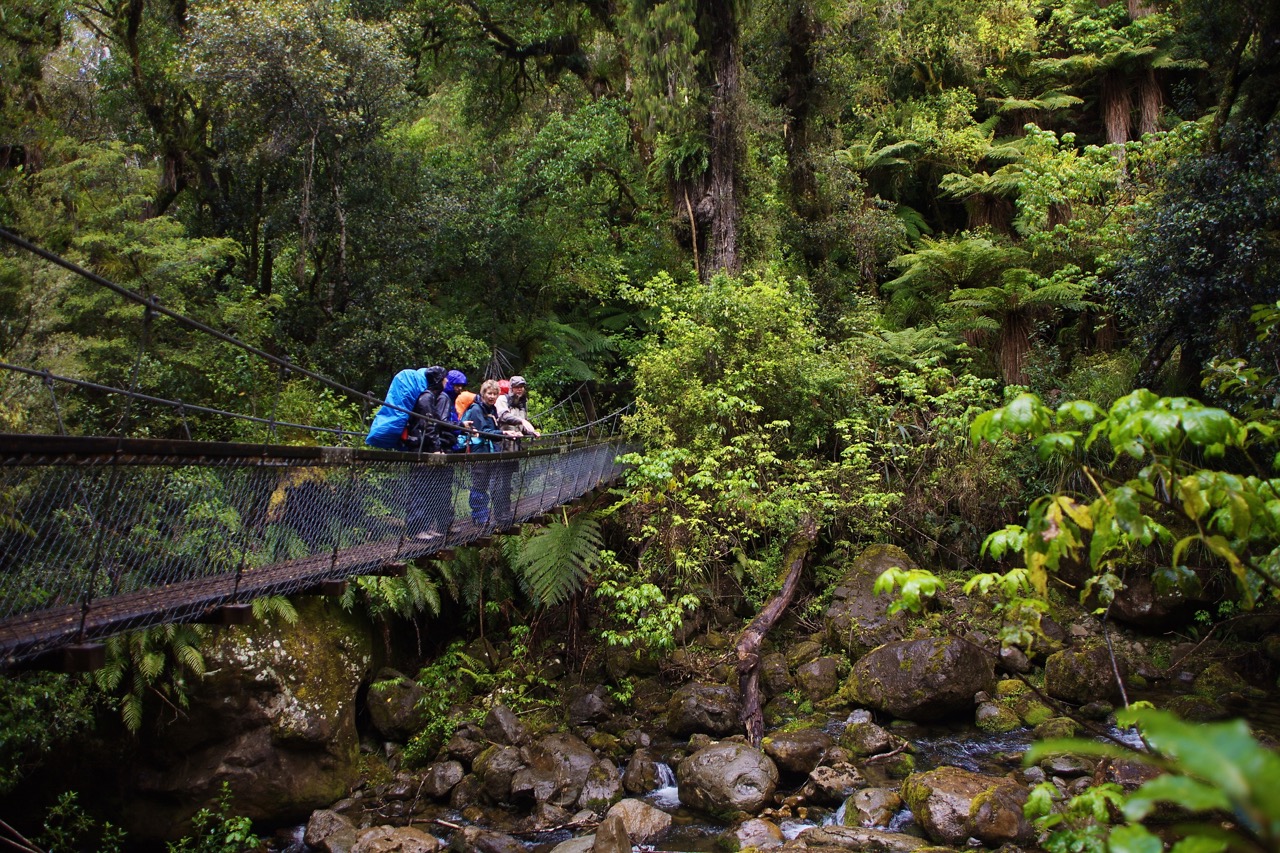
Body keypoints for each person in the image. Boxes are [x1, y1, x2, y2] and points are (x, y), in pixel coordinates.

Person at [405, 366, 456, 540]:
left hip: (425, 447)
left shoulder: (431, 397)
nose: (447, 381)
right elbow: (428, 425)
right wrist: (436, 448)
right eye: (444, 378)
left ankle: (426, 527)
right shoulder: (426, 398)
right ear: (438, 380)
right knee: (420, 489)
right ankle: (416, 530)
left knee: (428, 490)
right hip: (421, 449)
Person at [460, 379, 521, 526]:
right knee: (480, 485)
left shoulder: (491, 410)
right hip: (480, 453)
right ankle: (480, 517)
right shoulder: (476, 409)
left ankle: (492, 515)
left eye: (494, 394)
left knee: (494, 484)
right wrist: (503, 433)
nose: (492, 396)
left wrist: (507, 433)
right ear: (483, 394)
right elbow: (483, 431)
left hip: (491, 452)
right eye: (489, 393)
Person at [365, 367, 430, 451]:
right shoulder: (420, 383)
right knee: (401, 416)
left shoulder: (406, 375)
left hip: (400, 414)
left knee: (397, 415)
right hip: (410, 426)